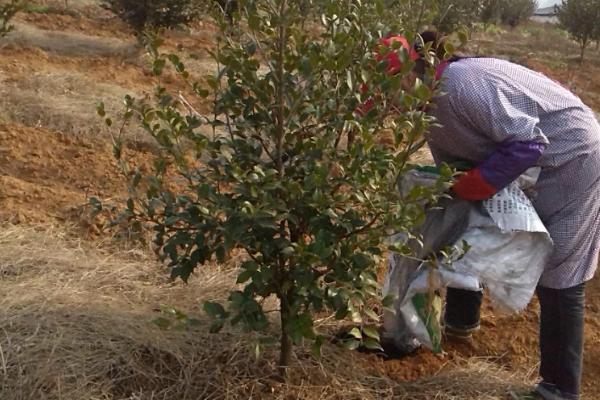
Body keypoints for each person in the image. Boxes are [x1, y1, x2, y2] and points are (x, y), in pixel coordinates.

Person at [368, 33, 600, 400]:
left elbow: (528, 143)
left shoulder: (458, 87)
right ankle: (460, 323)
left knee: (560, 271)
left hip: (575, 157)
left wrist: (473, 186)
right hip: (536, 161)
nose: (389, 107)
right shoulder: (428, 107)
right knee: (462, 221)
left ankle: (559, 389)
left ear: (409, 75)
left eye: (389, 93)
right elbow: (458, 168)